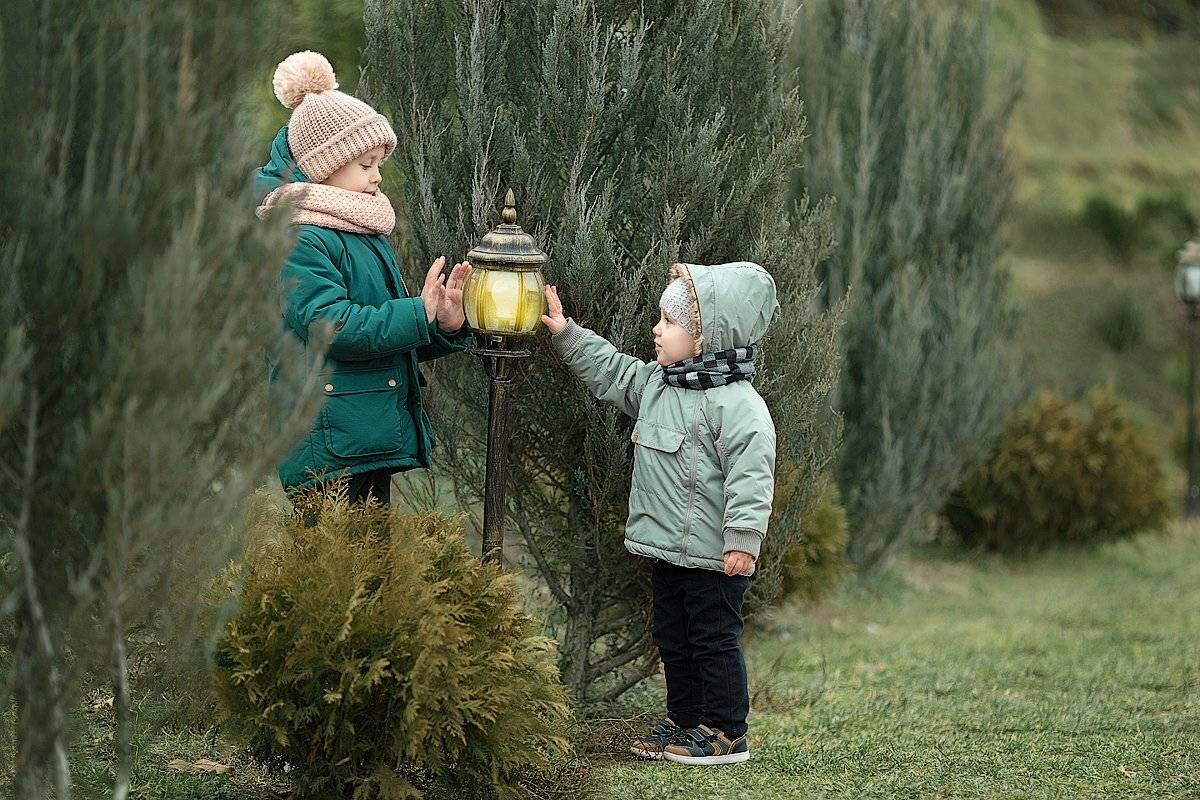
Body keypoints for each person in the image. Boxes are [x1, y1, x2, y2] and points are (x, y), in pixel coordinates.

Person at [541, 261, 779, 765]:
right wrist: (567, 334)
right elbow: (612, 371)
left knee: (713, 640)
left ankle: (726, 732)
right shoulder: (658, 384)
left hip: (716, 556)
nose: (657, 330)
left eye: (670, 323)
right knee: (674, 637)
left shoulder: (738, 406)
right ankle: (686, 721)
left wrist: (743, 539)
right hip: (670, 551)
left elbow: (752, 477)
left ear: (706, 336)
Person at [255, 50, 472, 506]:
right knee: (339, 573)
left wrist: (441, 324)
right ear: (323, 165)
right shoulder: (299, 234)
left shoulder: (355, 227)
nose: (376, 177)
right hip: (328, 442)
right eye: (365, 164)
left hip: (359, 432)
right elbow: (330, 326)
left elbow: (381, 330)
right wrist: (418, 311)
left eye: (379, 164)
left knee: (369, 571)